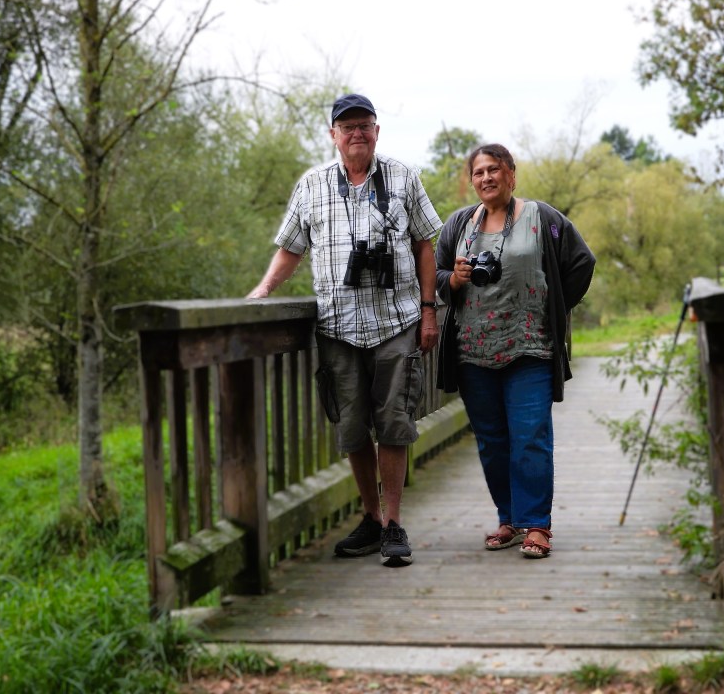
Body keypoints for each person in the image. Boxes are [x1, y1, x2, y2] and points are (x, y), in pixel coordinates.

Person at [247, 94, 443, 567]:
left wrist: (429, 310)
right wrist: (264, 288)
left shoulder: (403, 178)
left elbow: (425, 245)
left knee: (394, 421)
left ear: (378, 131)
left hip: (395, 320)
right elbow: (291, 248)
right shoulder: (312, 185)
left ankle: (395, 524)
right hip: (337, 326)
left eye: (365, 125)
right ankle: (372, 519)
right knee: (352, 425)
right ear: (333, 135)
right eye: (347, 126)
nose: (356, 133)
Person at [434, 143, 595, 558]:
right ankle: (508, 519)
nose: (486, 178)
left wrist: (554, 305)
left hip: (530, 346)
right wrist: (453, 280)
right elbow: (435, 274)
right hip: (473, 351)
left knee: (531, 437)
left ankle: (536, 525)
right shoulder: (459, 225)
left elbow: (582, 262)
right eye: (479, 172)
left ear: (511, 174)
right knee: (492, 441)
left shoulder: (543, 218)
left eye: (494, 169)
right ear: (472, 180)